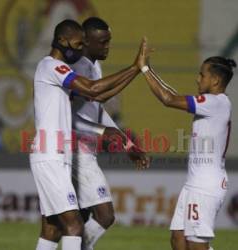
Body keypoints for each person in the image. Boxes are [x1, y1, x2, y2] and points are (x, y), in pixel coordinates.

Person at [30, 19, 147, 250]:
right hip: (51, 153)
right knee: (74, 225)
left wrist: (123, 139)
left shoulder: (62, 68)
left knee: (52, 228)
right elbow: (93, 90)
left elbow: (97, 98)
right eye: (77, 43)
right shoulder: (51, 66)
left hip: (60, 154)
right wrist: (135, 68)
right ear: (62, 41)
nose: (80, 48)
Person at [137, 37, 236, 250]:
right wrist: (149, 69)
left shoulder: (216, 103)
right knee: (178, 240)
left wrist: (143, 69)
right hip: (194, 183)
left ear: (216, 81)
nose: (197, 79)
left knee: (195, 245)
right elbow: (171, 94)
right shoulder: (213, 103)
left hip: (206, 185)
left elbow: (168, 99)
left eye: (202, 75)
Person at [70, 17, 148, 250]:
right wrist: (103, 131)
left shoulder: (93, 65)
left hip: (83, 150)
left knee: (78, 219)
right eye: (102, 42)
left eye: (109, 41)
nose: (107, 46)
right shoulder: (78, 67)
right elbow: (71, 118)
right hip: (75, 150)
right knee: (105, 216)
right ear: (85, 42)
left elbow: (96, 109)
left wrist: (124, 141)